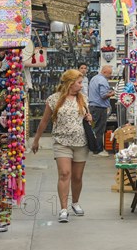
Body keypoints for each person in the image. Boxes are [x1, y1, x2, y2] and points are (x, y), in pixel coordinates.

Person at [31, 69, 92, 223]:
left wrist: (89, 118)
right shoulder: (54, 99)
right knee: (65, 174)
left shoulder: (83, 99)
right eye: (79, 82)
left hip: (81, 142)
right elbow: (44, 121)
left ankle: (75, 203)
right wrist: (36, 139)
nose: (81, 85)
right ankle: (63, 208)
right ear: (70, 83)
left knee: (77, 177)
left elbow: (87, 119)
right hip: (61, 142)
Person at [88, 65, 115, 156]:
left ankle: (92, 148)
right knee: (99, 129)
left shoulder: (94, 78)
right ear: (104, 72)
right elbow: (103, 95)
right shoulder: (103, 81)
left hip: (93, 106)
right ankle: (98, 150)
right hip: (100, 107)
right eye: (110, 73)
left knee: (93, 128)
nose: (111, 75)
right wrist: (112, 93)